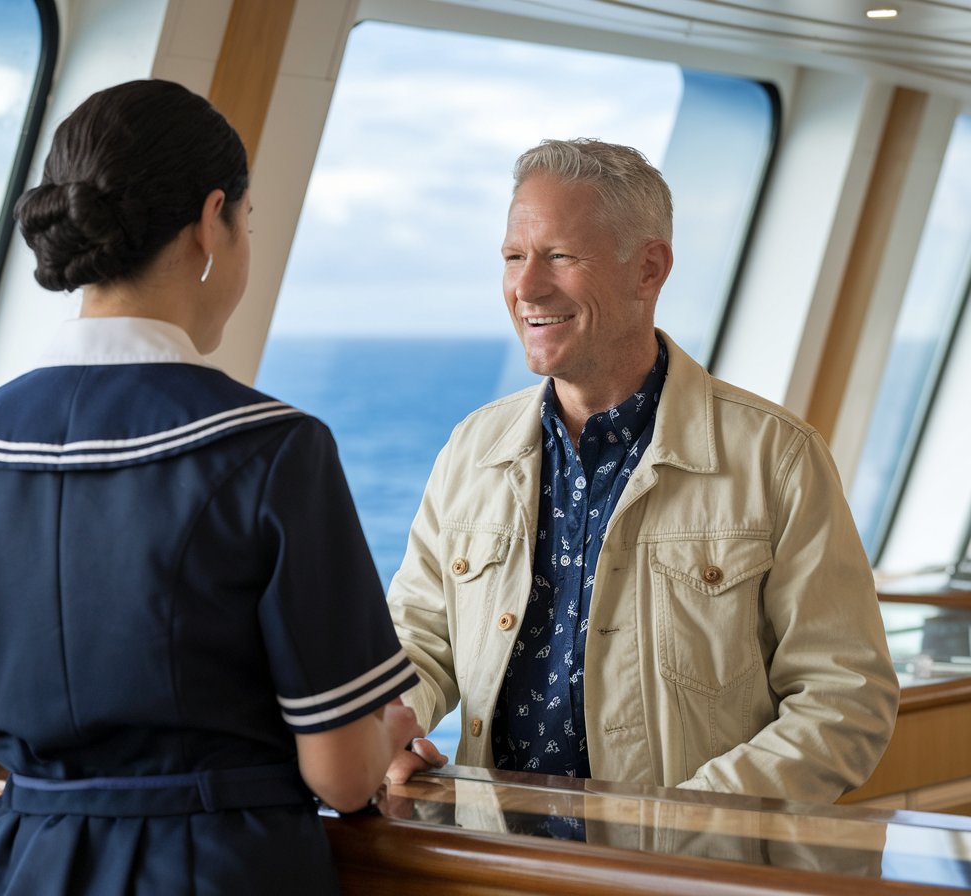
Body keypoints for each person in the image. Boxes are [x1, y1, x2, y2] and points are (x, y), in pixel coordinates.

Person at [0, 79, 421, 895]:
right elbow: (342, 778)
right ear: (213, 218)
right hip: (220, 870)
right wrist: (385, 728)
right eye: (247, 225)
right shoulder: (276, 450)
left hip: (19, 869)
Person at [385, 138, 899, 804]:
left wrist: (692, 827)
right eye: (514, 257)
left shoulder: (778, 457)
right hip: (497, 861)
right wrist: (386, 728)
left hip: (687, 874)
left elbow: (845, 701)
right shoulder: (471, 449)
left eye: (560, 256)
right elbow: (417, 640)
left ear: (649, 269)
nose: (527, 286)